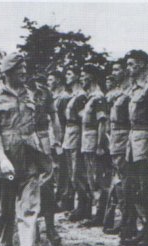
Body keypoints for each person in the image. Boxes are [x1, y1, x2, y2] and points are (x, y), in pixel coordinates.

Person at [0, 53, 46, 246]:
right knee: (6, 208)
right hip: (7, 160)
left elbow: (35, 127)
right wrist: (1, 159)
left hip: (29, 157)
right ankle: (4, 243)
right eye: (20, 70)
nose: (24, 73)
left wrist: (43, 154)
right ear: (8, 72)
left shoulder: (30, 94)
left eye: (25, 69)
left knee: (29, 207)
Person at [121, 50, 148, 246]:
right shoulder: (134, 89)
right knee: (134, 189)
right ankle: (143, 229)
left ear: (142, 65)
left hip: (145, 141)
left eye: (131, 64)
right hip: (133, 142)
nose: (128, 68)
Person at [103, 59, 137, 241]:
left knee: (126, 184)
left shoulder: (131, 91)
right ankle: (123, 222)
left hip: (124, 139)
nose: (114, 72)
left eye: (117, 69)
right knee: (120, 183)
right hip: (116, 139)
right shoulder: (118, 92)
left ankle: (128, 225)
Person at [30, 74, 62, 246]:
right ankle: (32, 230)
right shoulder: (15, 91)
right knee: (27, 185)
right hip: (24, 139)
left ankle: (50, 228)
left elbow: (54, 117)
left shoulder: (45, 93)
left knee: (48, 185)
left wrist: (57, 141)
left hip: (43, 137)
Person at [80, 64, 111, 227]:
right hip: (87, 141)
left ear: (91, 77)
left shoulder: (98, 97)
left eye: (83, 76)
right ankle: (97, 213)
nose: (81, 79)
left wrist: (100, 145)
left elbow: (102, 123)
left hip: (93, 141)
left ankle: (101, 214)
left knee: (97, 179)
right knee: (91, 178)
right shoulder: (91, 97)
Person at [63, 66, 91, 223]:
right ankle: (79, 205)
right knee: (71, 172)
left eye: (69, 74)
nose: (67, 77)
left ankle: (83, 205)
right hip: (69, 132)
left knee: (77, 172)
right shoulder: (74, 95)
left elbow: (83, 119)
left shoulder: (81, 96)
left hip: (76, 133)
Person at [47, 71, 74, 211]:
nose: (48, 82)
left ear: (58, 80)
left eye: (51, 79)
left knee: (63, 169)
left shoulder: (64, 97)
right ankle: (56, 199)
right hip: (52, 135)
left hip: (61, 136)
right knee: (55, 168)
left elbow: (63, 121)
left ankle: (65, 200)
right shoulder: (53, 97)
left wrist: (60, 140)